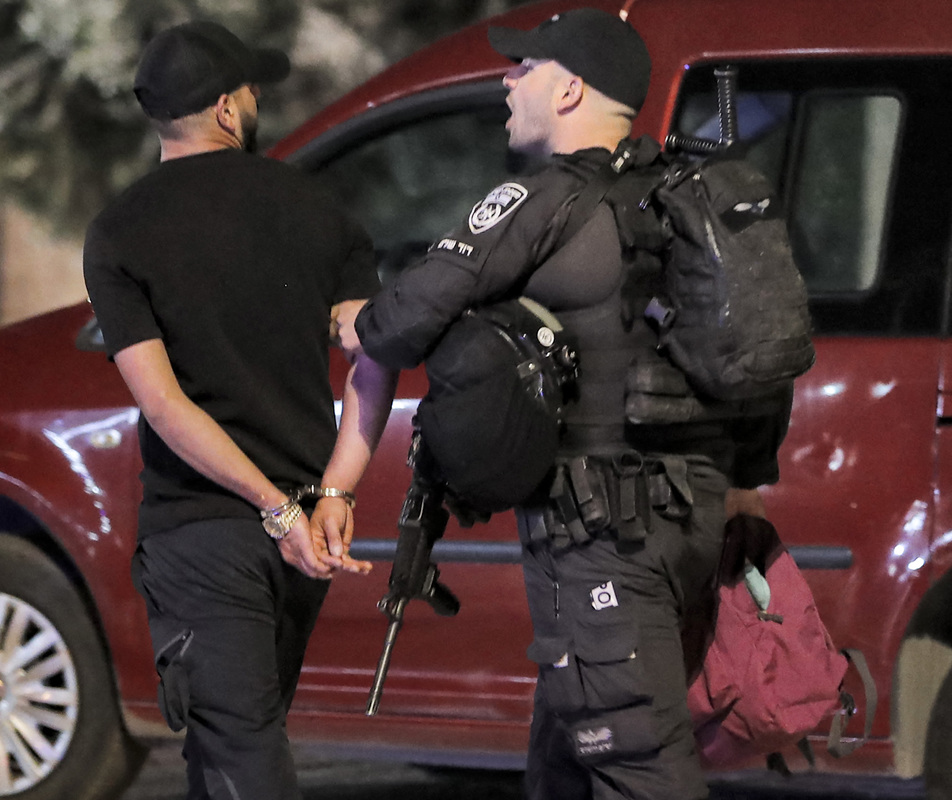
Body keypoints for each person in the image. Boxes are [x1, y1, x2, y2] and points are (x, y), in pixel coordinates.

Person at [355, 8, 790, 800]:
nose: (508, 78)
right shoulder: (675, 198)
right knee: (568, 752)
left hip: (598, 538)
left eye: (525, 66)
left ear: (570, 90)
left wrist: (356, 318)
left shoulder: (543, 200)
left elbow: (399, 321)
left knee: (640, 768)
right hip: (684, 523)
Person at [82, 20, 396, 800]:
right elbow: (375, 354)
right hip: (298, 538)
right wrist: (333, 491)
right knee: (232, 754)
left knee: (238, 761)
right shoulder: (319, 211)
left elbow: (163, 404)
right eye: (253, 90)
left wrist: (276, 511)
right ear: (227, 109)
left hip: (206, 536)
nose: (258, 102)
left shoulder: (119, 232)